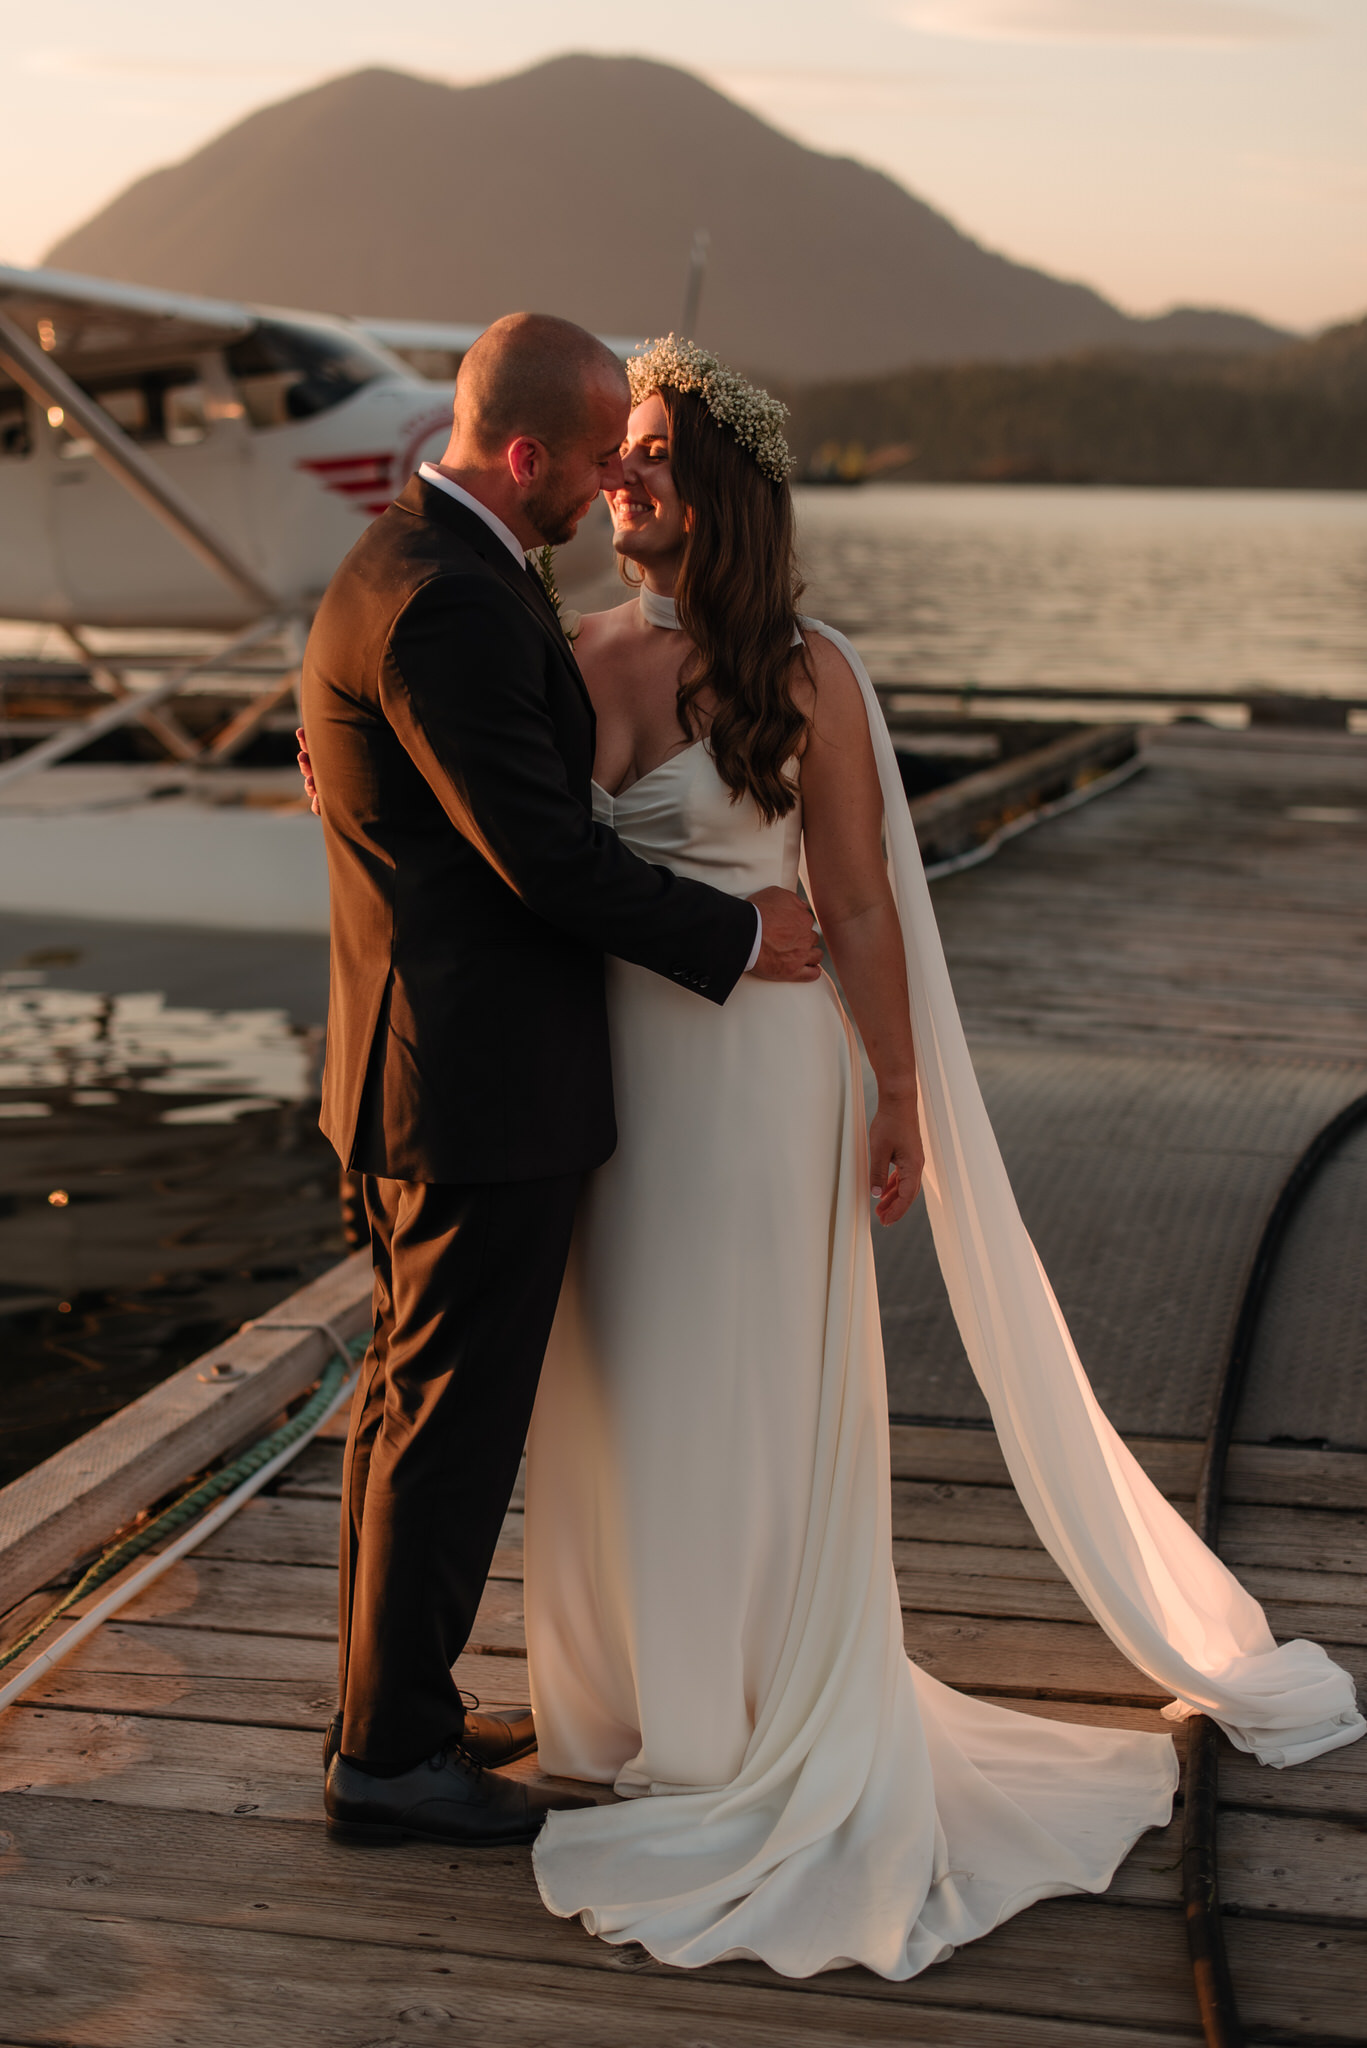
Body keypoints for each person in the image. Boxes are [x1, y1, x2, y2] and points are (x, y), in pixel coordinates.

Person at [300, 331, 1362, 1975]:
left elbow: (858, 901)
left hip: (751, 1080)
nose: (626, 476)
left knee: (730, 1377)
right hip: (607, 1085)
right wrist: (339, 748)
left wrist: (897, 1090)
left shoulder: (807, 675)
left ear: (716, 489)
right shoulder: (557, 638)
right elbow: (501, 824)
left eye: (652, 453)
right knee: (603, 1384)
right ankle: (579, 1704)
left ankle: (719, 1708)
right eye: (614, 450)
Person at [299, 313, 823, 1851]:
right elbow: (541, 852)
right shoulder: (451, 602)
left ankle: (389, 1712)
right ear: (525, 455)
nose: (610, 488)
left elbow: (423, 768)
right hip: (470, 1083)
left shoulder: (411, 564)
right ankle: (392, 1760)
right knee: (448, 1425)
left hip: (422, 1070)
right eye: (598, 459)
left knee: (410, 1411)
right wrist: (736, 933)